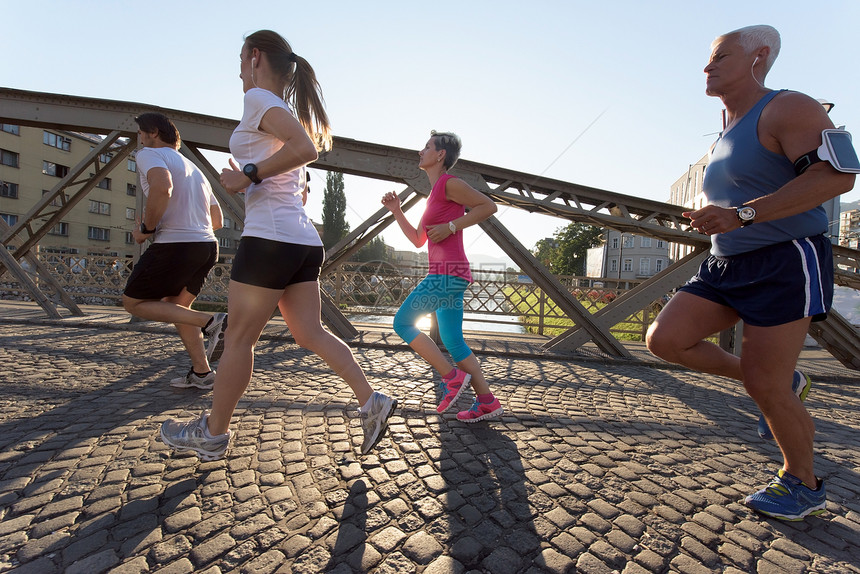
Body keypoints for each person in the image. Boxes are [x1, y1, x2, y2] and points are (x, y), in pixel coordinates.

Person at [646, 25, 855, 521]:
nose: (707, 66)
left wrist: (743, 214)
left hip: (784, 260)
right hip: (725, 262)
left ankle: (802, 483)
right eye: (707, 59)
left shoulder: (789, 107)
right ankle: (784, 383)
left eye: (720, 57)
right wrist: (715, 215)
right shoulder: (726, 124)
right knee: (665, 339)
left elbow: (837, 176)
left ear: (759, 56)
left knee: (766, 383)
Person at [160, 30, 397, 460]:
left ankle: (211, 435)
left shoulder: (259, 101)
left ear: (254, 57)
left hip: (270, 240)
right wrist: (254, 178)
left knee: (237, 339)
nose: (237, 70)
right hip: (302, 241)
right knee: (309, 332)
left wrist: (248, 173)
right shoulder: (282, 108)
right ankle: (371, 402)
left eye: (239, 59)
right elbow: (296, 175)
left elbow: (305, 150)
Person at [381, 131, 503, 422]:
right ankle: (486, 401)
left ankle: (450, 378)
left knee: (402, 322)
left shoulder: (451, 184)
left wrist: (451, 226)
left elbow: (489, 206)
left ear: (440, 155)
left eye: (426, 147)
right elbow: (417, 239)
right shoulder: (432, 196)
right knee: (453, 341)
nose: (420, 151)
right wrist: (396, 211)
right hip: (450, 275)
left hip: (447, 274)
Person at [122, 112, 229, 390]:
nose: (139, 139)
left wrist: (146, 229)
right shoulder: (195, 169)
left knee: (132, 302)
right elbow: (217, 220)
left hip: (176, 245)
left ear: (153, 133)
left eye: (140, 133)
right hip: (207, 245)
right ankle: (203, 374)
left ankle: (212, 322)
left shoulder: (148, 154)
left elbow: (162, 187)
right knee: (177, 309)